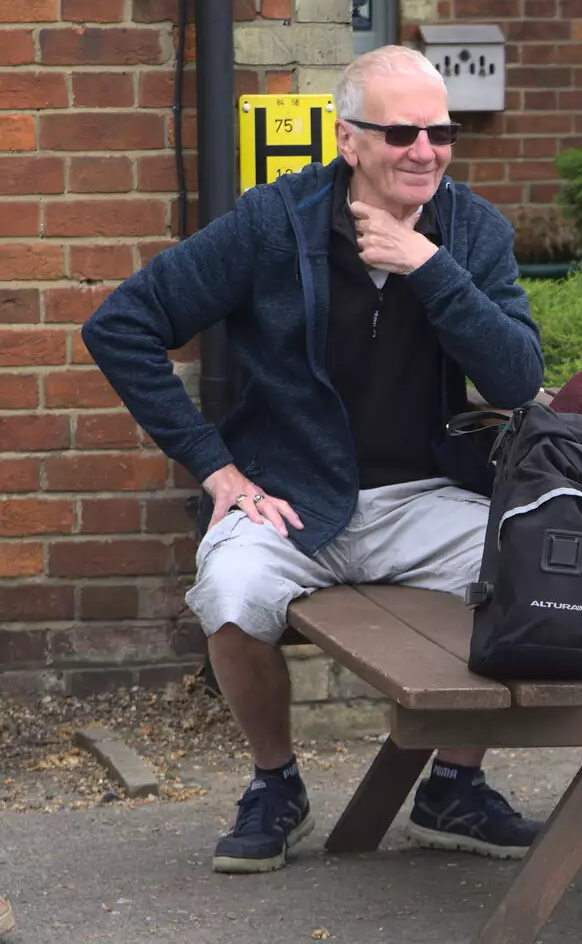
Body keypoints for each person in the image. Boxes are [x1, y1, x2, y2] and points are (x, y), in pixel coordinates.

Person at [82, 45, 547, 875]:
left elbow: (516, 376)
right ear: (348, 141)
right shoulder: (275, 221)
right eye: (401, 132)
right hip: (289, 497)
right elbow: (121, 324)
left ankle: (454, 783)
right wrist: (214, 467)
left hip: (428, 494)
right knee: (230, 591)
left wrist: (430, 269)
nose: (425, 150)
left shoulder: (471, 231)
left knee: (524, 560)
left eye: (440, 131)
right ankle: (275, 783)